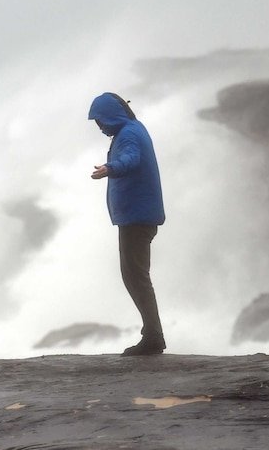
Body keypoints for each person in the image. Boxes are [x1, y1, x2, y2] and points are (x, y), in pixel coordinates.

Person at [88, 92, 166, 356]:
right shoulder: (133, 128)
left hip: (137, 217)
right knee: (134, 276)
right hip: (137, 215)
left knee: (136, 276)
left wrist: (111, 168)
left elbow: (131, 158)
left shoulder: (129, 134)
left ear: (112, 115)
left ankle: (153, 337)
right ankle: (152, 334)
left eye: (100, 121)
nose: (100, 127)